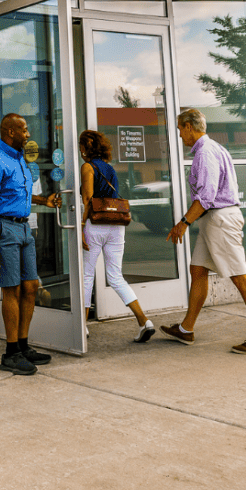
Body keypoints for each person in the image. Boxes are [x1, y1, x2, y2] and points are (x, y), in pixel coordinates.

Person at [161, 108, 246, 354]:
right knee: (198, 270)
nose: (180, 134)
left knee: (240, 276)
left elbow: (206, 196)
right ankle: (186, 329)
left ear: (189, 127)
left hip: (220, 220)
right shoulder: (214, 148)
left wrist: (183, 223)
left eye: (180, 128)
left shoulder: (205, 152)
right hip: (213, 220)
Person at [0, 113, 62, 375]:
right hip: (3, 230)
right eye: (24, 130)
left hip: (23, 228)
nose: (28, 134)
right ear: (11, 132)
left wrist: (42, 200)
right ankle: (10, 353)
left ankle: (23, 346)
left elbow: (14, 194)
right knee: (11, 289)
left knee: (31, 286)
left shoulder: (18, 158)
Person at [79, 130, 155, 342]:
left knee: (87, 276)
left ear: (85, 149)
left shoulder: (88, 167)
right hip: (116, 226)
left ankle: (82, 327)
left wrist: (82, 228)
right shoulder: (110, 169)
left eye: (81, 147)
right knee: (115, 276)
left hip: (95, 225)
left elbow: (87, 199)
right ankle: (144, 321)